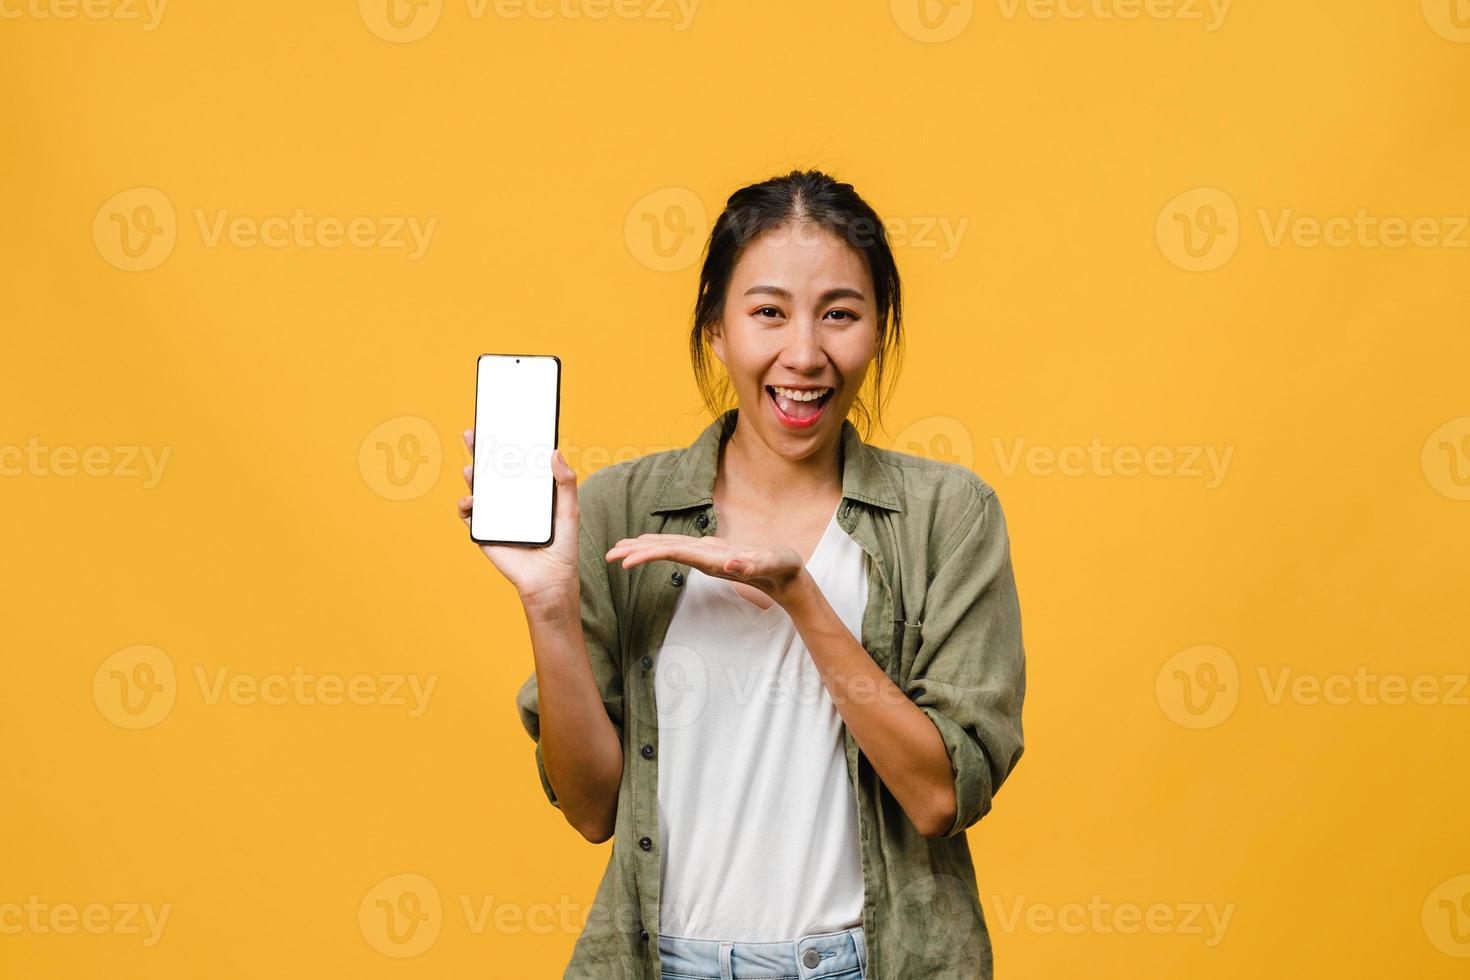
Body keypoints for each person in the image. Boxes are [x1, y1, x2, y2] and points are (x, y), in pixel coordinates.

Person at [458, 169, 1027, 979]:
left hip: (868, 963)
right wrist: (548, 605)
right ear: (716, 331)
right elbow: (589, 810)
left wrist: (800, 596)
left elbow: (939, 799)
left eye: (840, 314)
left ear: (879, 329)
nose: (805, 354)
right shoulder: (621, 508)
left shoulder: (949, 516)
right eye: (767, 313)